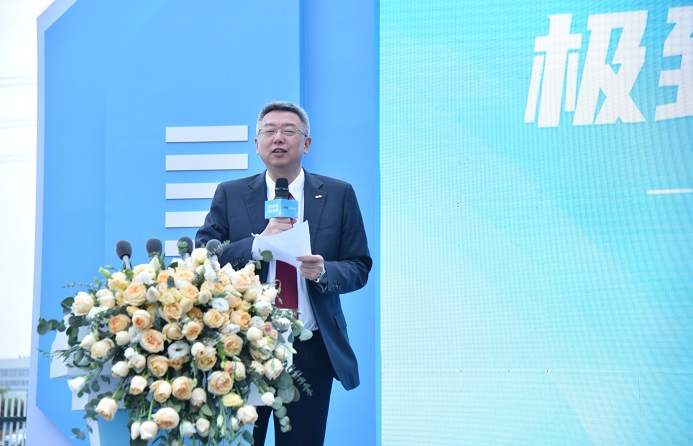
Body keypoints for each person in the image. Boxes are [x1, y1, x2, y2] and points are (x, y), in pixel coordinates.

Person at [195, 101, 372, 446]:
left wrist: (324, 271)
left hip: (310, 348)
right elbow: (205, 257)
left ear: (306, 143)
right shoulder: (231, 194)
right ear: (257, 143)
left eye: (289, 131)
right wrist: (257, 243)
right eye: (269, 131)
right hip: (243, 347)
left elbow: (359, 265)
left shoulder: (337, 194)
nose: (278, 138)